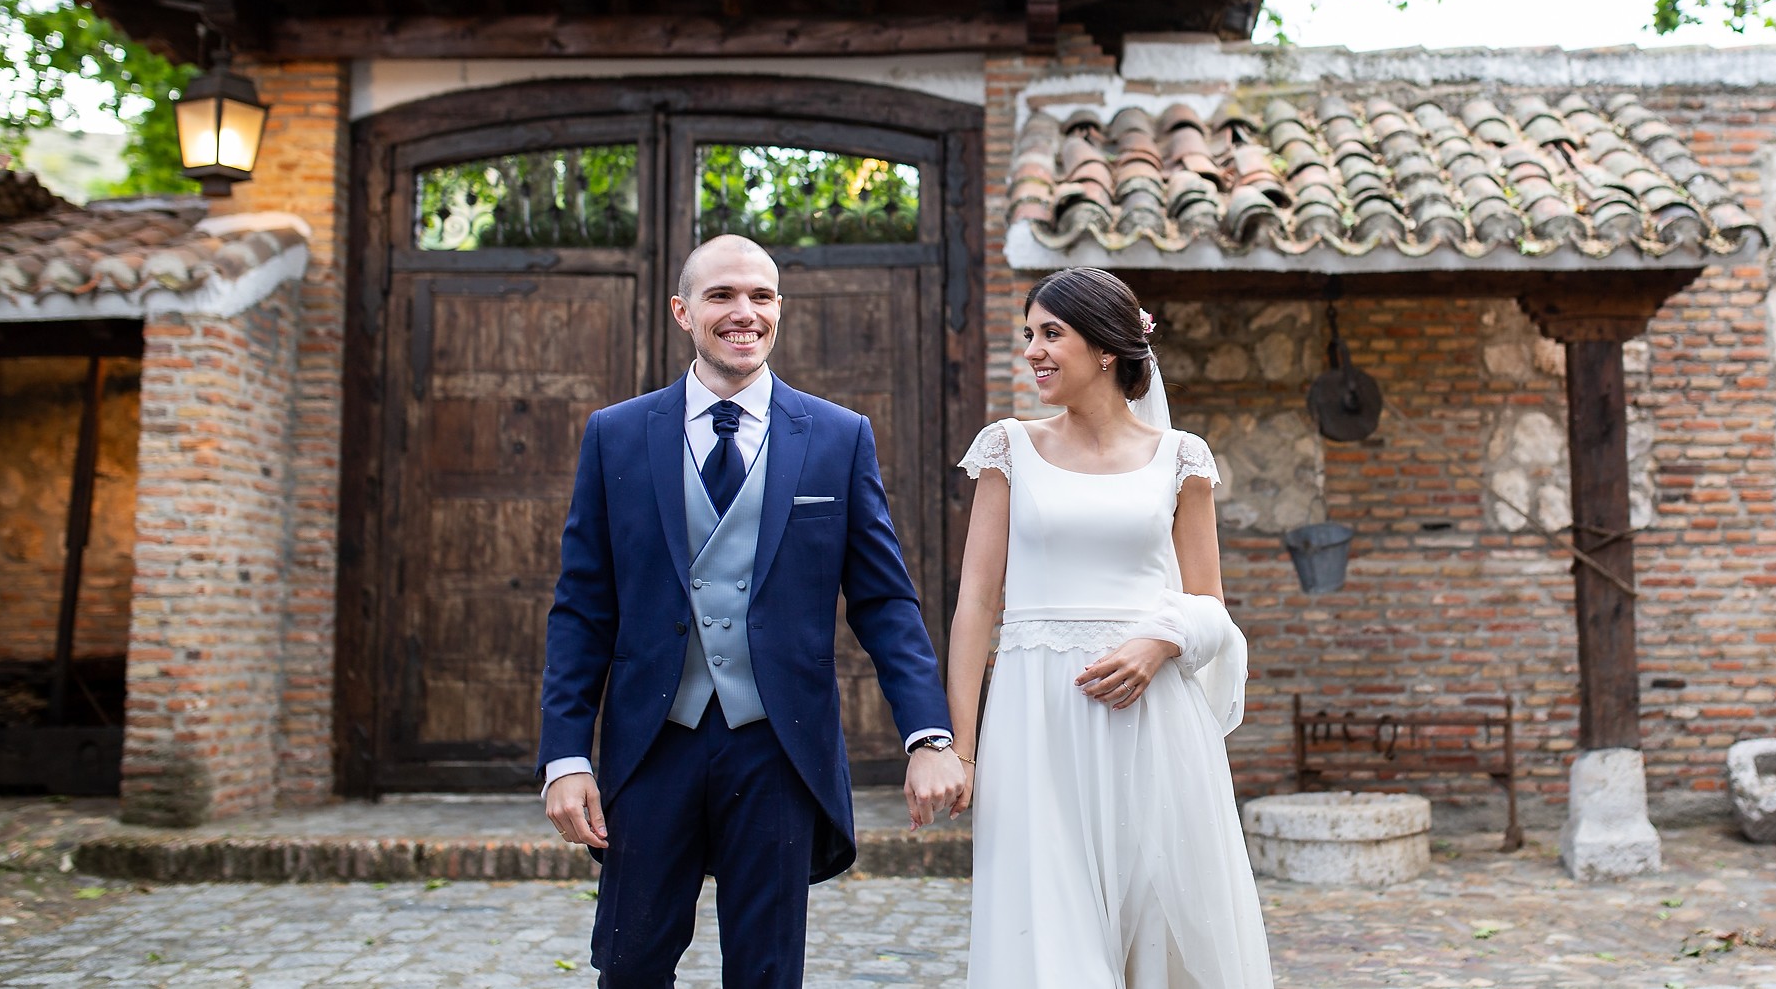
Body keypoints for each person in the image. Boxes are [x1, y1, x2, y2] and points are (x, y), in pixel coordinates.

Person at [539, 234, 965, 989]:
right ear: (683, 311)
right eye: (722, 295)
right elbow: (581, 608)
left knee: (767, 972)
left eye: (762, 296)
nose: (745, 312)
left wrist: (928, 734)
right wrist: (565, 755)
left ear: (779, 309)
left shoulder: (838, 436)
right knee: (631, 964)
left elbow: (884, 600)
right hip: (652, 745)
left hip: (777, 749)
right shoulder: (616, 434)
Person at [946, 266, 1273, 987]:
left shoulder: (1181, 458)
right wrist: (963, 749)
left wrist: (1159, 641)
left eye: (1050, 334)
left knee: (1158, 920)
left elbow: (1211, 603)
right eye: (1028, 334)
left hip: (1150, 720)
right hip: (1038, 719)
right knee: (1049, 923)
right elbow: (976, 604)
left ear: (1105, 349)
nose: (1032, 350)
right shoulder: (1008, 448)